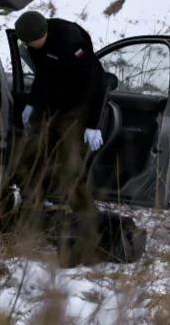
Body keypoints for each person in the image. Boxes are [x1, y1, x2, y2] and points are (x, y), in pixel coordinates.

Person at [15, 11, 109, 211]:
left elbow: (98, 82)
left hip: (77, 106)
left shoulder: (71, 42)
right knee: (33, 153)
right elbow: (43, 75)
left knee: (69, 166)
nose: (30, 46)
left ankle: (85, 217)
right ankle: (33, 205)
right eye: (27, 43)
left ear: (44, 33)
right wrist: (33, 103)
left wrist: (93, 124)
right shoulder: (33, 45)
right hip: (52, 105)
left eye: (33, 41)